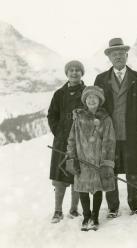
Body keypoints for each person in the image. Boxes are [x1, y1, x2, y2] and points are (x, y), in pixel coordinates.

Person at [94, 38, 137, 217]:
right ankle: (113, 207)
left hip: (131, 132)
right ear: (109, 57)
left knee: (133, 170)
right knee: (110, 170)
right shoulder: (100, 79)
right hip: (109, 134)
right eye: (114, 54)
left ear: (127, 55)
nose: (118, 56)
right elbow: (96, 107)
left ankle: (135, 205)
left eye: (121, 53)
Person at [66, 86, 116, 231]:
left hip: (98, 161)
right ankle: (86, 216)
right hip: (82, 161)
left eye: (95, 97)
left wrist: (106, 161)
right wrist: (70, 155)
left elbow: (110, 141)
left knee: (98, 188)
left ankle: (95, 216)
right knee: (83, 188)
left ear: (100, 101)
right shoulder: (79, 118)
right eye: (89, 97)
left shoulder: (105, 119)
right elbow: (72, 138)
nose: (92, 100)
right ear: (85, 100)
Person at [47, 60, 85, 223]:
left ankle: (74, 209)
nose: (74, 72)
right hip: (61, 141)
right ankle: (57, 211)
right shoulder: (59, 94)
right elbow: (52, 115)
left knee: (76, 174)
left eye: (77, 70)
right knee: (60, 176)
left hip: (80, 140)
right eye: (71, 70)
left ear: (82, 73)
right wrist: (58, 131)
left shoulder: (86, 92)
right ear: (67, 73)